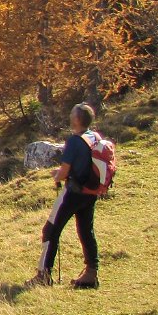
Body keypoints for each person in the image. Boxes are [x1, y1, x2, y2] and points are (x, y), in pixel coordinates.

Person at [27, 103, 100, 289]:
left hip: (73, 193)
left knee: (51, 230)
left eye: (72, 113)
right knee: (86, 231)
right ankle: (91, 273)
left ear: (76, 119)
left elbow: (64, 172)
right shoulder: (93, 137)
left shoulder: (74, 141)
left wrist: (57, 175)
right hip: (90, 192)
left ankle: (44, 274)